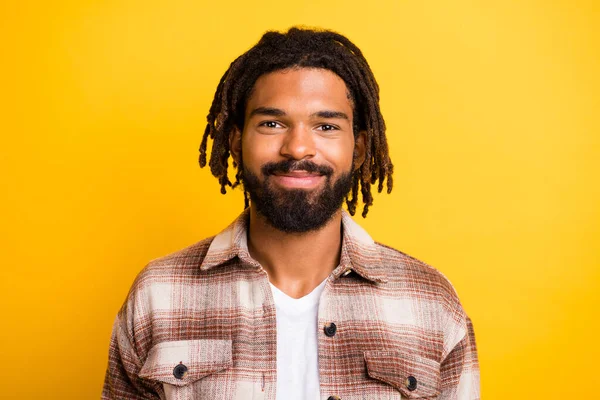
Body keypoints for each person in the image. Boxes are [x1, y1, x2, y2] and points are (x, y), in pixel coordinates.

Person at [102, 27, 480, 400]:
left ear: (359, 149)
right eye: (272, 124)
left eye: (326, 126)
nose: (298, 148)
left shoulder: (431, 303)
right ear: (235, 143)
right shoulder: (158, 295)